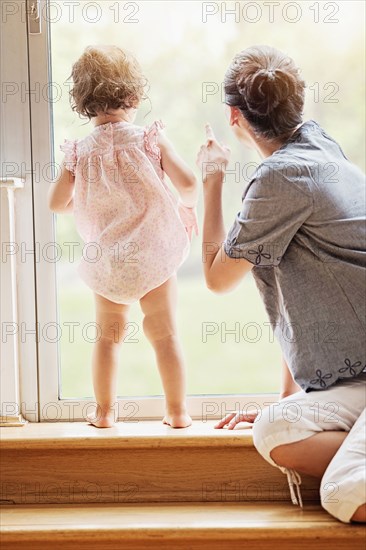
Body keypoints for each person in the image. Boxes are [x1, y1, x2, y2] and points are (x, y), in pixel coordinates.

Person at [197, 45, 366, 523]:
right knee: (274, 429)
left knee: (341, 495)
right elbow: (300, 292)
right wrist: (292, 400)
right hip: (356, 382)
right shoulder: (321, 146)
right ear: (301, 103)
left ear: (234, 115)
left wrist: (213, 181)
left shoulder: (281, 177)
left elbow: (214, 277)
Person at [48, 45, 198, 429]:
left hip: (109, 261)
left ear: (83, 104)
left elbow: (56, 202)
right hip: (154, 253)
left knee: (108, 337)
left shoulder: (79, 153)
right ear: (133, 96)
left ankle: (104, 413)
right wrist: (187, 207)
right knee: (164, 334)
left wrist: (83, 203)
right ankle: (178, 413)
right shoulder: (149, 139)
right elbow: (189, 183)